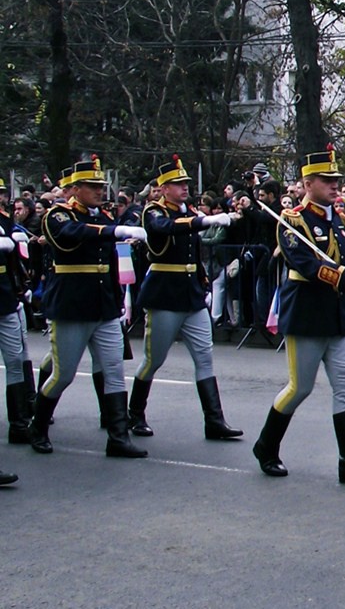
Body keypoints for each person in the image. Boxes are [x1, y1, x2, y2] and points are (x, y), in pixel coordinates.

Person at [251, 146, 345, 486]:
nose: (334, 185)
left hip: (337, 315)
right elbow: (308, 267)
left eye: (336, 180)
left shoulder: (339, 221)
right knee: (300, 388)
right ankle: (266, 446)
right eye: (326, 180)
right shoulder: (292, 222)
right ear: (307, 183)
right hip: (307, 314)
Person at [29, 157, 149, 458]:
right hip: (72, 305)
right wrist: (113, 233)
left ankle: (118, 437)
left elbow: (109, 258)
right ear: (76, 189)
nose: (100, 191)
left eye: (101, 185)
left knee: (113, 369)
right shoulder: (58, 215)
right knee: (64, 374)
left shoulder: (104, 218)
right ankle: (38, 426)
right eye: (93, 186)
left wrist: (119, 297)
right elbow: (72, 234)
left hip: (103, 306)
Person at [128, 156, 244, 440]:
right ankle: (135, 414)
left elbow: (193, 248)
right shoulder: (153, 211)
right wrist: (204, 220)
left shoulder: (188, 211)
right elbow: (167, 228)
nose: (183, 187)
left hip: (190, 293)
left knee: (204, 356)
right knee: (154, 359)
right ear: (164, 187)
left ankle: (214, 421)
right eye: (177, 184)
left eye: (185, 183)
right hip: (165, 292)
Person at [1, 183, 35, 452]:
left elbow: (19, 256)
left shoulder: (6, 222)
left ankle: (19, 424)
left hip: (5, 299)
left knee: (15, 360)